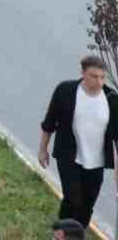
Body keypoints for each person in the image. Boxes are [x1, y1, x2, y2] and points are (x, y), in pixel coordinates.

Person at [39, 55, 118, 229]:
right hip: (69, 157)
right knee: (73, 199)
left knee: (87, 206)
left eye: (102, 77)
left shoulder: (112, 99)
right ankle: (61, 233)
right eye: (93, 76)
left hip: (96, 162)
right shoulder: (65, 91)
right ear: (83, 73)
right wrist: (42, 149)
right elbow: (49, 122)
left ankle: (77, 234)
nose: (99, 81)